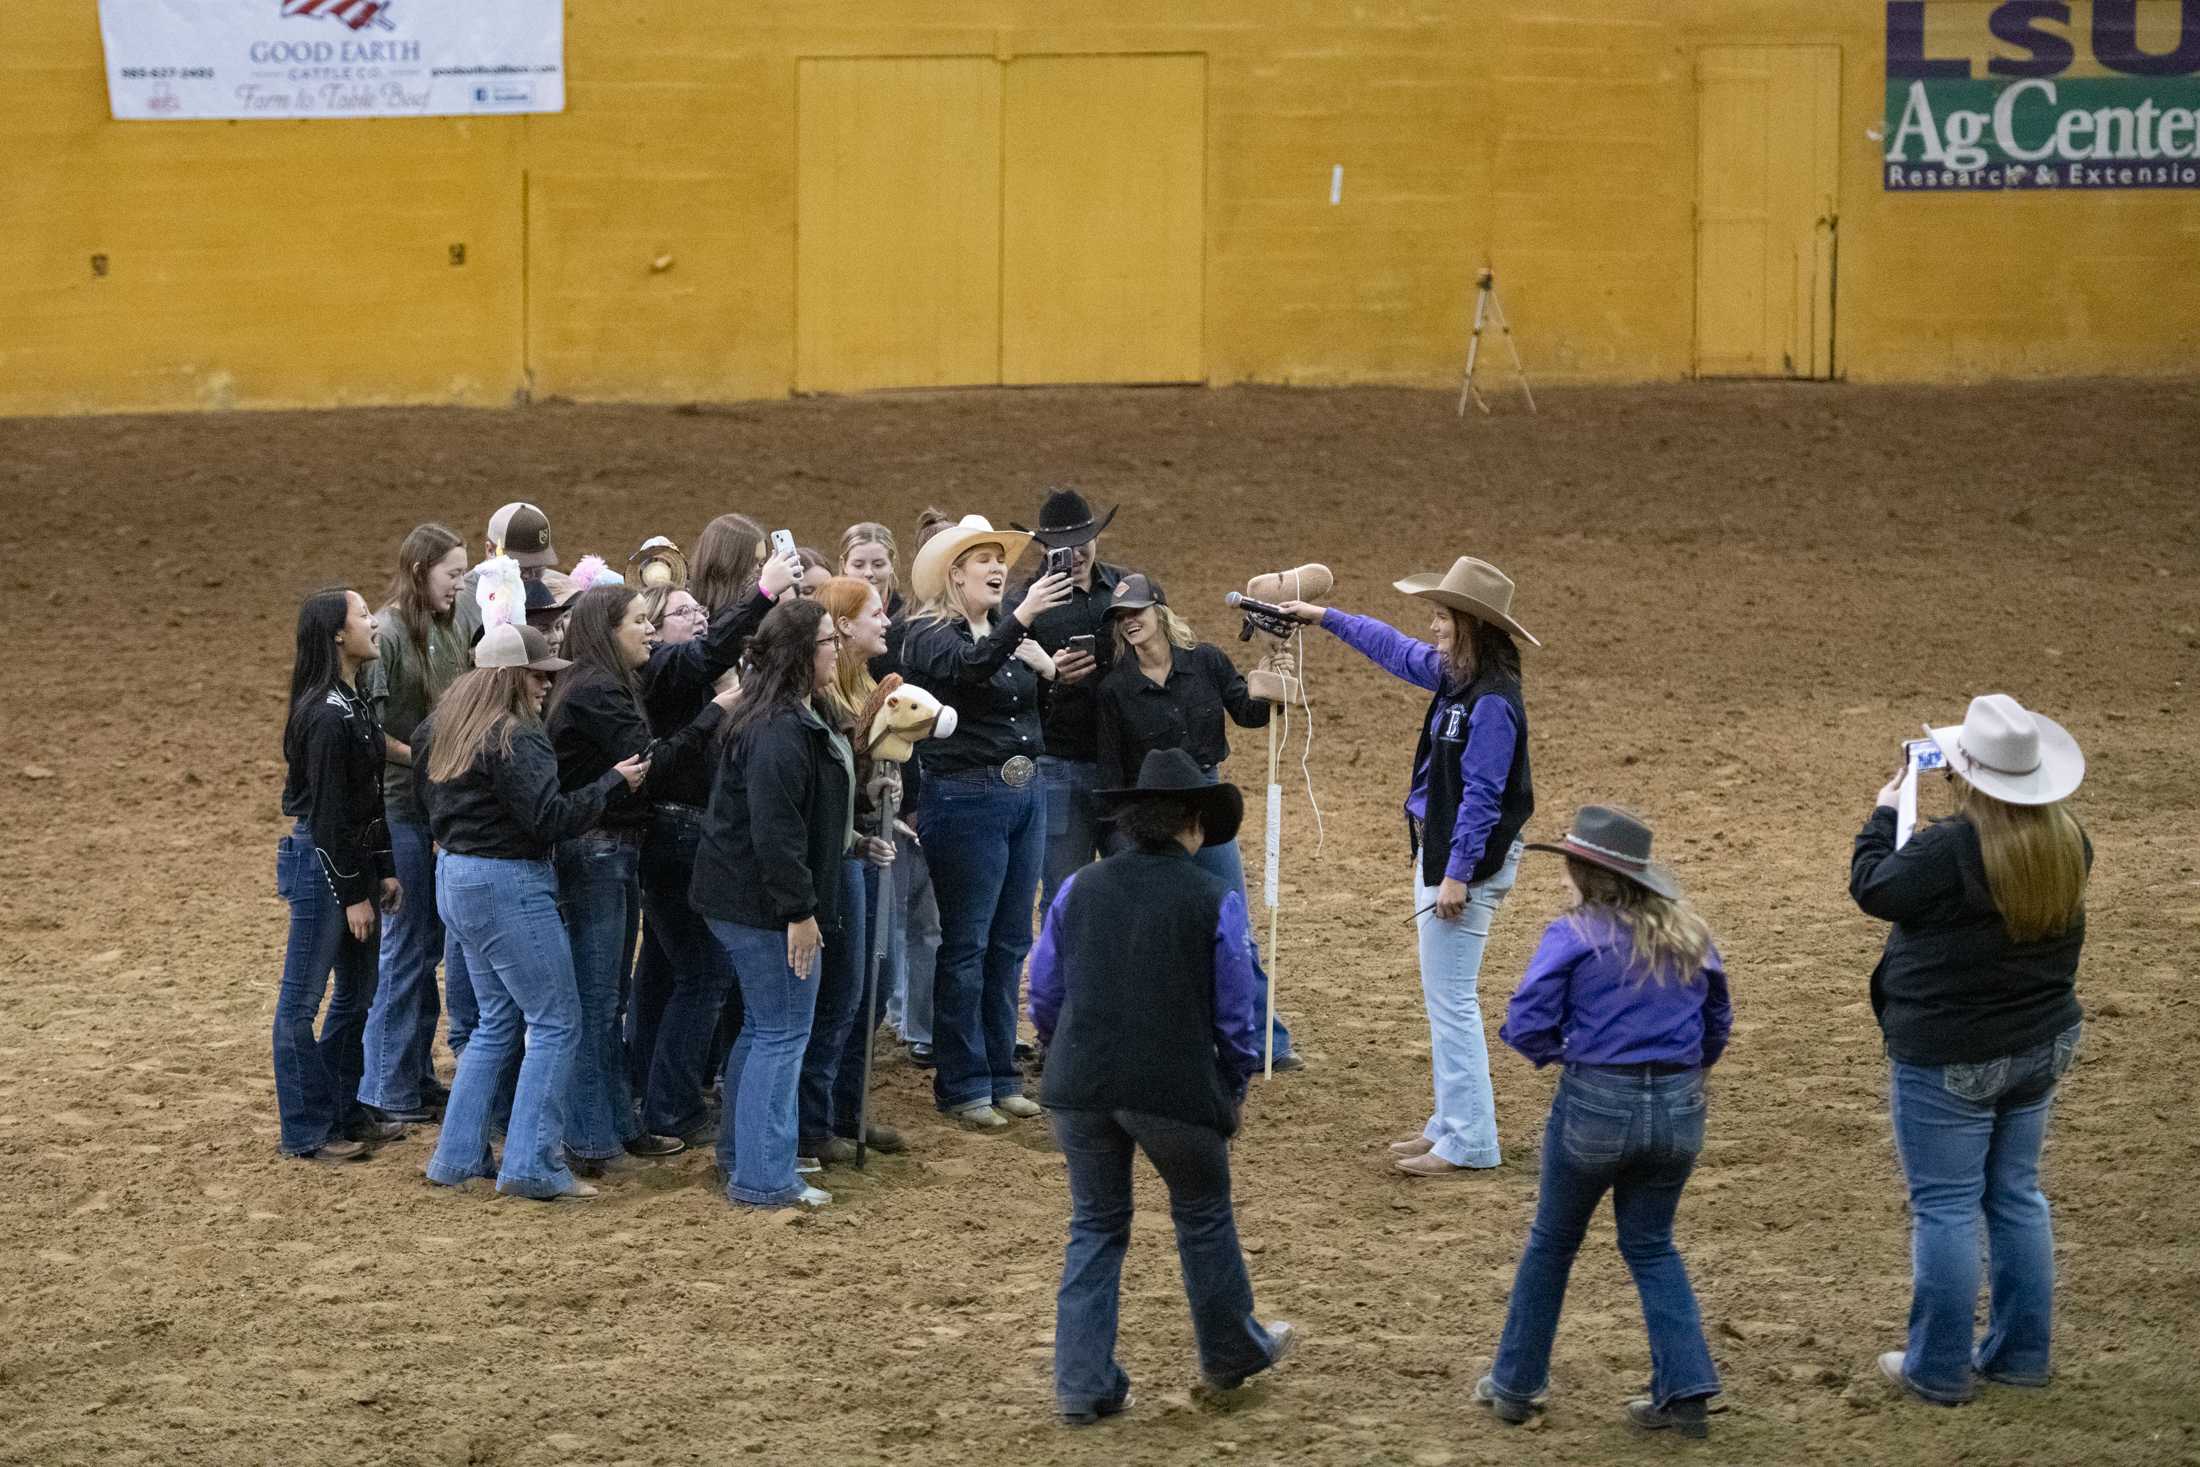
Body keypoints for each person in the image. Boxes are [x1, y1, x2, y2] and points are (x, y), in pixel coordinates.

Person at [1030, 749, 1296, 1425]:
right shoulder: (1215, 899)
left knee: (1094, 1223)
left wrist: (1061, 1047)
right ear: (1194, 826)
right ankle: (1230, 1354)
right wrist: (1231, 1085)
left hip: (1081, 1084)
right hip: (1174, 1088)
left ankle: (1082, 1383)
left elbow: (1045, 987)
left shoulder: (1079, 888)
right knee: (1203, 1215)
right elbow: (1238, 1016)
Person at [1850, 694, 2090, 1407]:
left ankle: (1939, 1366)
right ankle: (2021, 1354)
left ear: (1966, 774)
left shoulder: (1949, 848)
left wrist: (1884, 813)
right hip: (2041, 1041)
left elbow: (1873, 887)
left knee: (1947, 1206)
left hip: (1951, 1053)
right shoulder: (2068, 840)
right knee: (2015, 1194)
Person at [1278, 555, 1536, 1177]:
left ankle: (1471, 1138)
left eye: (1444, 618)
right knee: (1445, 996)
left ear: (1473, 627)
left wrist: (1456, 873)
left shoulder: (1490, 701)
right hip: (1446, 850)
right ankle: (1451, 1124)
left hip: (1459, 859)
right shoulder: (1460, 681)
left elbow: (1482, 795)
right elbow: (1392, 648)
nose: (1434, 628)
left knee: (1451, 1000)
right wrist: (1323, 617)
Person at [1479, 806, 1730, 1437]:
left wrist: (1565, 1051)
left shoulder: (1574, 934)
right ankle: (1688, 1390)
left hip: (1596, 1100)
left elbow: (1527, 1019)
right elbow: (1717, 1022)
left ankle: (1515, 1385)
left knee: (1552, 1243)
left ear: (1580, 871)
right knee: (1652, 1246)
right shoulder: (1691, 933)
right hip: (1678, 1105)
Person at [417, 622, 648, 1202]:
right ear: (513, 677)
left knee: (496, 1024)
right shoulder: (516, 735)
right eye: (540, 675)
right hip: (507, 883)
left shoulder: (446, 728)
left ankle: (458, 1155)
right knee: (556, 1021)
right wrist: (612, 784)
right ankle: (531, 1163)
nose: (548, 685)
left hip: (458, 878)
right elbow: (549, 819)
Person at [545, 582, 739, 1171]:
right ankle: (592, 1137)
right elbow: (650, 766)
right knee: (598, 1001)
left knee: (609, 1000)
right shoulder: (598, 688)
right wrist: (716, 712)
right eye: (638, 622)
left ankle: (617, 1125)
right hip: (598, 851)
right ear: (608, 631)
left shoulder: (603, 684)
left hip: (613, 849)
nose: (648, 631)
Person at [899, 515, 1071, 1129]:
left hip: (1022, 791)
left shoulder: (1003, 631)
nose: (999, 568)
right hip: (967, 796)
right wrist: (1022, 625)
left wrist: (1047, 676)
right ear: (954, 573)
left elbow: (1020, 712)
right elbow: (968, 671)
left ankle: (998, 1073)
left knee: (1006, 943)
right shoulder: (925, 634)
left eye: (1000, 558)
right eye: (984, 559)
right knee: (969, 944)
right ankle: (964, 1081)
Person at [690, 599, 855, 1210]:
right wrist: (800, 912)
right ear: (800, 654)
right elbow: (777, 832)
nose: (836, 649)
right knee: (783, 1032)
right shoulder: (783, 730)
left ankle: (744, 1157)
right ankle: (765, 1176)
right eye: (827, 641)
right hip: (765, 907)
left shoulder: (773, 719)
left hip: (743, 900)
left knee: (764, 1030)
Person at [1095, 574, 1298, 1068]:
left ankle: (1263, 1042)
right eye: (1122, 617)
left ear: (1159, 612)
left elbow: (1250, 714)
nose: (1130, 623)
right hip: (1147, 814)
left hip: (1205, 802)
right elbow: (1111, 769)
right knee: (1159, 935)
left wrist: (1276, 676)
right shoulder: (1114, 688)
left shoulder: (1206, 661)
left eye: (1136, 612)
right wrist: (1118, 837)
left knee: (1234, 924)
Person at [273, 588, 402, 1163]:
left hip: (349, 863)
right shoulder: (327, 715)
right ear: (336, 635)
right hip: (326, 866)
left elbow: (368, 799)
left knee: (357, 994)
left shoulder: (349, 702)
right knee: (302, 1003)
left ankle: (342, 1111)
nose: (374, 622)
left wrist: (386, 869)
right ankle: (306, 1130)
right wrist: (355, 893)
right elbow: (327, 816)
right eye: (363, 614)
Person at [357, 523, 469, 1127]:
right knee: (407, 950)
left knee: (424, 949)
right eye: (453, 573)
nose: (460, 583)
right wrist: (428, 757)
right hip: (403, 807)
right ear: (421, 568)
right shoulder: (390, 632)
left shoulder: (450, 621)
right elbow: (370, 736)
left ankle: (413, 1077)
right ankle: (384, 1088)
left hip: (433, 806)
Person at [800, 576, 906, 1164]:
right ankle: (819, 1120)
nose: (886, 621)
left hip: (863, 845)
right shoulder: (833, 700)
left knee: (871, 986)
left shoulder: (867, 686)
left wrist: (881, 786)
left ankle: (846, 1107)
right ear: (842, 625)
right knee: (844, 990)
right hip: (845, 851)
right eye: (874, 613)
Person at [1004, 489, 1120, 914]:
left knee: (1130, 893)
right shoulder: (1020, 607)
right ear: (1044, 548)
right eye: (1062, 547)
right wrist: (1051, 678)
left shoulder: (1129, 594)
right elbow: (1007, 692)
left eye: (1082, 541)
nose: (1074, 553)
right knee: (1063, 898)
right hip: (1056, 764)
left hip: (1122, 769)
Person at [453, 502, 561, 648]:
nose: (530, 576)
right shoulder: (460, 601)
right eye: (520, 566)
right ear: (490, 551)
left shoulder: (554, 586)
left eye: (538, 565)